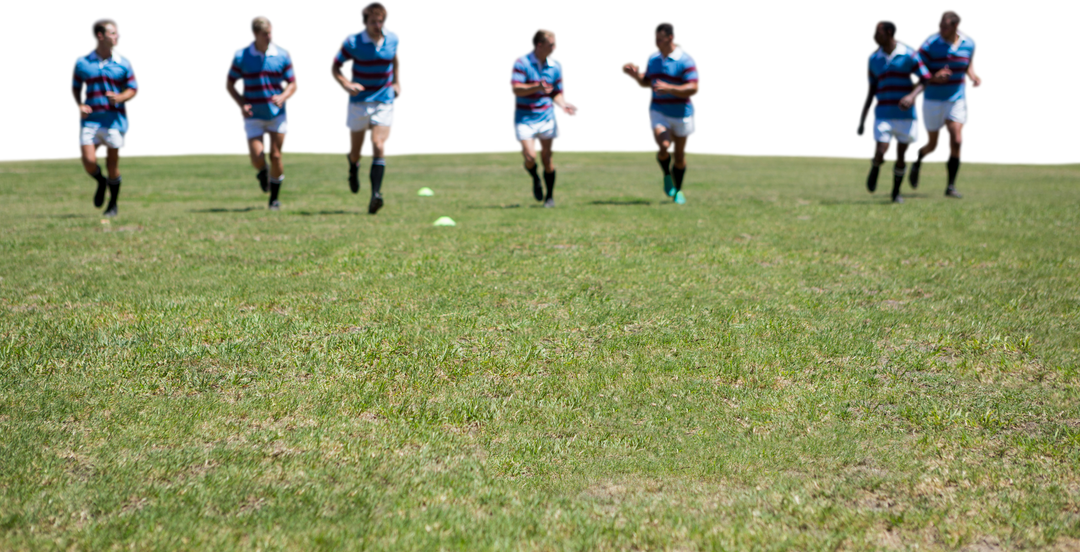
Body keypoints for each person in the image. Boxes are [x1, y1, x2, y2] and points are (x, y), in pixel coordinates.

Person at [328, 0, 404, 215]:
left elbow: (396, 61)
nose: (378, 26)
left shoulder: (394, 38)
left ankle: (376, 195)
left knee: (379, 145)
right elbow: (334, 67)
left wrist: (398, 83)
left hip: (384, 100)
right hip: (358, 102)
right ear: (364, 22)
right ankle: (353, 168)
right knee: (356, 150)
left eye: (382, 22)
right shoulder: (352, 40)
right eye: (373, 22)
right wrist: (346, 84)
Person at [222, 12, 301, 211]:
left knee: (275, 155)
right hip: (252, 115)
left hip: (278, 114)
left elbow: (294, 83)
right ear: (254, 35)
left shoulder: (284, 53)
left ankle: (274, 199)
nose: (271, 37)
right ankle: (262, 172)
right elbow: (229, 84)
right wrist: (240, 104)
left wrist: (283, 97)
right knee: (257, 156)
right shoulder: (240, 54)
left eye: (272, 32)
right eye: (266, 33)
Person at [619, 19, 702, 205]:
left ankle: (678, 190)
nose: (654, 43)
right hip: (658, 110)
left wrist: (671, 88)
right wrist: (633, 77)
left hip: (683, 113)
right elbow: (647, 85)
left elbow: (695, 89)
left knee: (679, 157)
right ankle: (666, 174)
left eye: (658, 40)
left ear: (671, 38)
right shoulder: (652, 57)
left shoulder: (686, 59)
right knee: (664, 146)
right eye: (653, 39)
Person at [67, 14, 142, 217]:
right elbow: (74, 88)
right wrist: (79, 105)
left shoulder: (125, 61)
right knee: (89, 160)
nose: (120, 36)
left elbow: (135, 89)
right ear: (100, 36)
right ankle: (100, 182)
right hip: (89, 120)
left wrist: (120, 97)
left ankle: (113, 205)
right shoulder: (81, 62)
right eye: (114, 32)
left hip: (115, 121)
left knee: (112, 165)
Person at [909, 6, 985, 198]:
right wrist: (934, 77)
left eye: (945, 26)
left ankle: (950, 186)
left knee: (958, 140)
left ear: (958, 26)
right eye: (939, 25)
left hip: (957, 99)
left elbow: (969, 65)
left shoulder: (970, 42)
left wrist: (975, 79)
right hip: (931, 100)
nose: (940, 30)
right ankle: (918, 160)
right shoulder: (928, 43)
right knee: (932, 146)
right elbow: (916, 69)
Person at [854, 17, 931, 203]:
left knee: (901, 156)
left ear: (888, 32)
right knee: (881, 150)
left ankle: (895, 193)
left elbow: (925, 79)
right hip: (882, 113)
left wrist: (912, 97)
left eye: (876, 31)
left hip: (907, 115)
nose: (873, 35)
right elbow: (869, 89)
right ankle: (876, 165)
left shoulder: (910, 52)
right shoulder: (872, 58)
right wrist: (862, 118)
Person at [506, 26, 581, 208]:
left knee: (547, 159)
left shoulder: (557, 65)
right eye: (553, 44)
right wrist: (536, 87)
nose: (557, 48)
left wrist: (564, 105)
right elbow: (513, 89)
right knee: (530, 157)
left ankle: (549, 197)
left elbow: (558, 92)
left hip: (546, 115)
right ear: (539, 45)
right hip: (523, 117)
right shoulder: (520, 62)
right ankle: (535, 178)